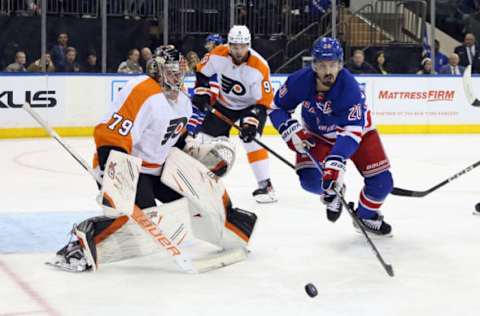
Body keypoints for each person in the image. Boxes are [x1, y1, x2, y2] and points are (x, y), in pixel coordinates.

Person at [48, 45, 257, 272]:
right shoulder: (142, 90)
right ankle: (84, 240)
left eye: (180, 71)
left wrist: (194, 151)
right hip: (126, 167)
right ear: (157, 71)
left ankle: (230, 227)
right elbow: (111, 134)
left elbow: (176, 140)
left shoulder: (183, 101)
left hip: (160, 169)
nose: (178, 77)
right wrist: (115, 174)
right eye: (172, 71)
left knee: (198, 199)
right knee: (147, 223)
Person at [269, 37, 393, 236]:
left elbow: (352, 130)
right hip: (318, 134)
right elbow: (277, 108)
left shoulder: (350, 89)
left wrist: (336, 162)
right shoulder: (299, 81)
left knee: (382, 184)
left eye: (333, 65)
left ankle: (366, 216)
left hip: (358, 133)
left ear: (341, 64)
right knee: (311, 181)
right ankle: (335, 191)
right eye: (322, 65)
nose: (328, 71)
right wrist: (290, 129)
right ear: (314, 65)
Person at [190, 25, 278, 203]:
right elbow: (201, 72)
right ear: (229, 45)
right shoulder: (218, 54)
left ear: (249, 45)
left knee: (251, 141)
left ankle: (265, 185)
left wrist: (250, 123)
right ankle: (203, 184)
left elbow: (264, 102)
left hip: (251, 106)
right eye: (235, 47)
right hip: (224, 104)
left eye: (243, 46)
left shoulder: (260, 66)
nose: (239, 51)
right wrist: (202, 92)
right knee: (204, 141)